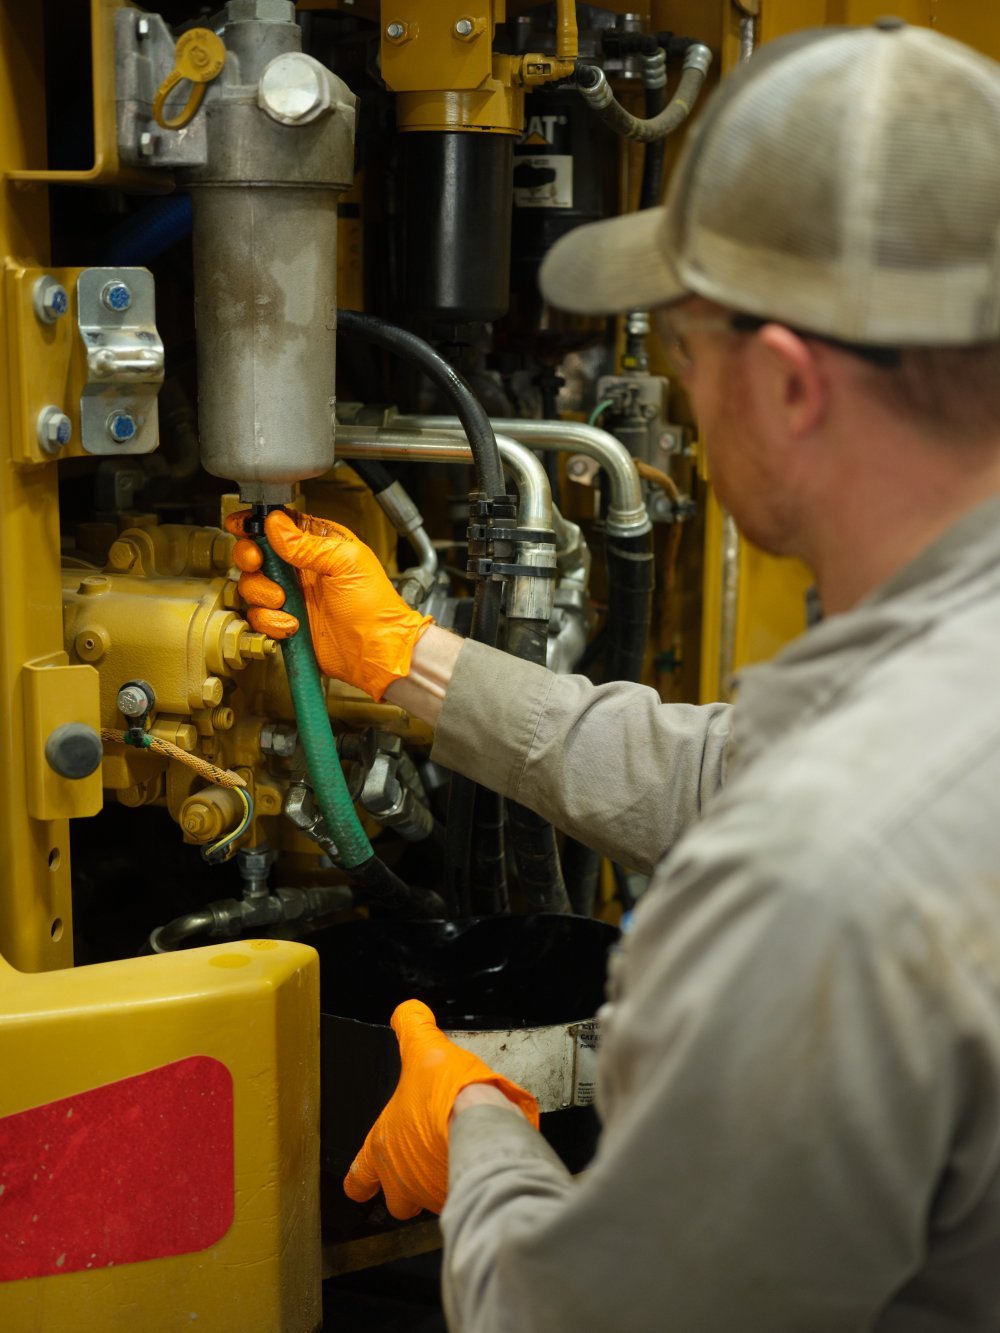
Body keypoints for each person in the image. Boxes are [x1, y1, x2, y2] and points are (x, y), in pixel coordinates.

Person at [227, 20, 1000, 1331]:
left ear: (792, 386)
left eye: (690, 351)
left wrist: (472, 1126)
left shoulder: (814, 881)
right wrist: (413, 658)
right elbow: (731, 765)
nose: (685, 397)